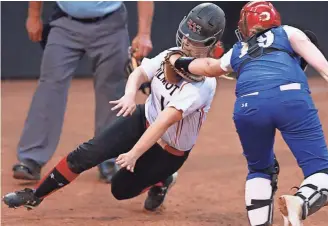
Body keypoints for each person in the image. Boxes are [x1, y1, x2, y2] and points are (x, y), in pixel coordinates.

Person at [3, 3, 225, 212]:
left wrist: (133, 154)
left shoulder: (202, 87)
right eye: (186, 35)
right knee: (85, 153)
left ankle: (163, 180)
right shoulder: (173, 54)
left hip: (168, 149)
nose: (187, 42)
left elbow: (163, 122)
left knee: (120, 189)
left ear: (210, 43)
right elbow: (140, 72)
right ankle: (35, 195)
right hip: (143, 119)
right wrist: (129, 96)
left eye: (195, 40)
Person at [165, 1, 328, 225]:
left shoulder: (237, 50)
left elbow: (208, 67)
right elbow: (307, 46)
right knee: (323, 175)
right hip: (290, 98)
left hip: (247, 106)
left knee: (260, 169)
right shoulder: (287, 31)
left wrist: (179, 61)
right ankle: (300, 202)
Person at [14, 1, 154, 183]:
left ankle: (110, 158)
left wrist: (144, 34)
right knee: (50, 86)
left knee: (111, 93)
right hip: (65, 23)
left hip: (111, 25)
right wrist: (33, 15)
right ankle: (31, 159)